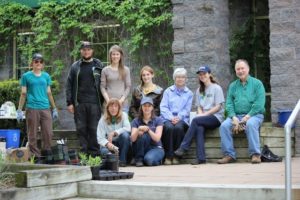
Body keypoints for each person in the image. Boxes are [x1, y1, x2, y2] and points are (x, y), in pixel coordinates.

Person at [217, 59, 265, 164]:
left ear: (248, 69)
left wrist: (247, 117)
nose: (240, 71)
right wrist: (233, 117)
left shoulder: (257, 84)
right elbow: (229, 104)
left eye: (242, 68)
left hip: (254, 115)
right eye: (238, 69)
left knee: (251, 124)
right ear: (235, 71)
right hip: (236, 116)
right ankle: (229, 155)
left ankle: (255, 154)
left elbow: (259, 104)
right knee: (224, 126)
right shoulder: (233, 86)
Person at [174, 66, 225, 165]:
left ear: (209, 74)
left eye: (204, 74)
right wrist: (201, 114)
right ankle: (201, 158)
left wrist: (204, 115)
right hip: (204, 118)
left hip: (216, 117)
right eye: (200, 75)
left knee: (196, 121)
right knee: (199, 128)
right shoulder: (199, 90)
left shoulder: (216, 88)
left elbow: (218, 107)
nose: (202, 76)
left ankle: (183, 147)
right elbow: (199, 107)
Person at [16, 53, 58, 161]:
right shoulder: (26, 76)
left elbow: (49, 93)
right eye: (36, 61)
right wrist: (20, 109)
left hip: (45, 108)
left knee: (48, 132)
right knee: (32, 134)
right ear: (32, 63)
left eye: (40, 62)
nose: (38, 63)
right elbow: (23, 93)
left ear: (43, 64)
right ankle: (36, 156)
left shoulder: (46, 76)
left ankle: (47, 152)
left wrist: (54, 108)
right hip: (32, 108)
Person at [66, 41, 104, 156]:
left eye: (88, 49)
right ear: (81, 51)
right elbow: (69, 84)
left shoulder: (99, 65)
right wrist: (70, 103)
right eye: (84, 49)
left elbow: (104, 83)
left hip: (95, 103)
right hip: (79, 103)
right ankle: (83, 155)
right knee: (81, 129)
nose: (86, 51)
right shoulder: (75, 66)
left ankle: (95, 155)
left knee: (94, 129)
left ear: (92, 51)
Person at [160, 68, 193, 165]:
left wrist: (178, 117)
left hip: (182, 119)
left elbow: (187, 109)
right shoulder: (168, 91)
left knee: (178, 128)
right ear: (174, 78)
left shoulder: (189, 93)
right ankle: (168, 156)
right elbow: (163, 107)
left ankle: (176, 156)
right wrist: (171, 118)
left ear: (186, 79)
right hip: (167, 118)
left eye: (183, 77)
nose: (180, 79)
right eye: (178, 77)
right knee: (169, 127)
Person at [131, 97, 165, 167]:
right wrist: (138, 130)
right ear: (141, 107)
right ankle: (139, 159)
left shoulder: (158, 120)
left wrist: (148, 130)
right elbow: (132, 139)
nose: (147, 108)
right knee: (141, 135)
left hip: (156, 148)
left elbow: (157, 138)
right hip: (142, 148)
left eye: (149, 106)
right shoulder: (135, 121)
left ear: (152, 107)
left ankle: (157, 160)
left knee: (149, 160)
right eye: (144, 106)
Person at [96, 98, 131, 167]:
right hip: (109, 144)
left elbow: (128, 129)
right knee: (104, 152)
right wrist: (107, 144)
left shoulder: (124, 115)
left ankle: (122, 161)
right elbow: (100, 138)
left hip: (121, 143)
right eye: (111, 106)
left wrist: (114, 133)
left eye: (115, 106)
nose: (113, 108)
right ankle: (113, 161)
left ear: (119, 108)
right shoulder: (103, 119)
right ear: (107, 108)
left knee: (125, 135)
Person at [101, 45, 131, 112]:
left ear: (120, 56)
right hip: (108, 104)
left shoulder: (126, 70)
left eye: (117, 54)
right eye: (113, 54)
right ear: (110, 56)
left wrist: (121, 100)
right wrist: (108, 101)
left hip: (122, 105)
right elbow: (102, 87)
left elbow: (128, 87)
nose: (115, 56)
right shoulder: (105, 70)